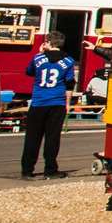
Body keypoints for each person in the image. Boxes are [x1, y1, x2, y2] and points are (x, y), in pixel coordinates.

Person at [21, 32, 78, 179]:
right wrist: (68, 103)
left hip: (38, 101)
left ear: (48, 43)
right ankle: (50, 169)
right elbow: (70, 83)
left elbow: (29, 72)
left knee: (32, 138)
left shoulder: (38, 58)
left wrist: (40, 52)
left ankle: (27, 170)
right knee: (52, 138)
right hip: (57, 102)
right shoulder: (69, 61)